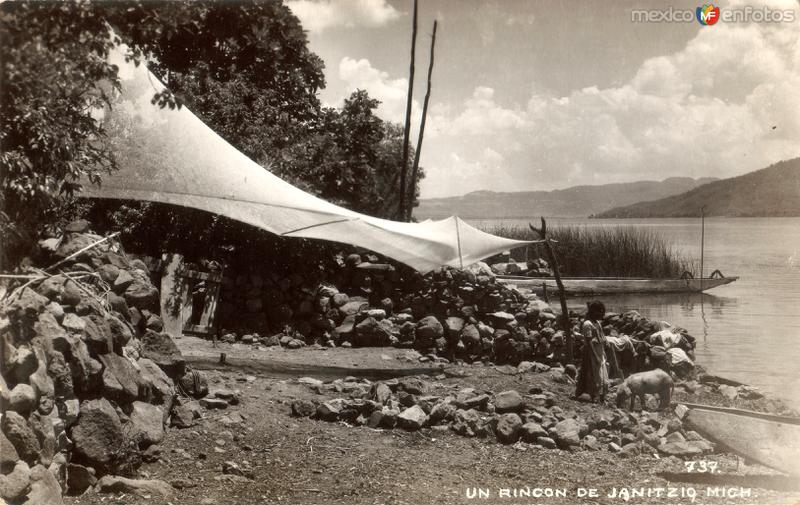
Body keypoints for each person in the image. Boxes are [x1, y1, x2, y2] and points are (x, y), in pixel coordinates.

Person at [574, 300, 609, 403]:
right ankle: (593, 395)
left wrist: (605, 344)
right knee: (593, 374)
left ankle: (601, 395)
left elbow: (601, 335)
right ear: (594, 312)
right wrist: (596, 356)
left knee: (601, 373)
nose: (602, 315)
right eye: (601, 312)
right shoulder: (587, 324)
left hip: (599, 351)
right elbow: (589, 343)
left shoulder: (597, 322)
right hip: (591, 353)